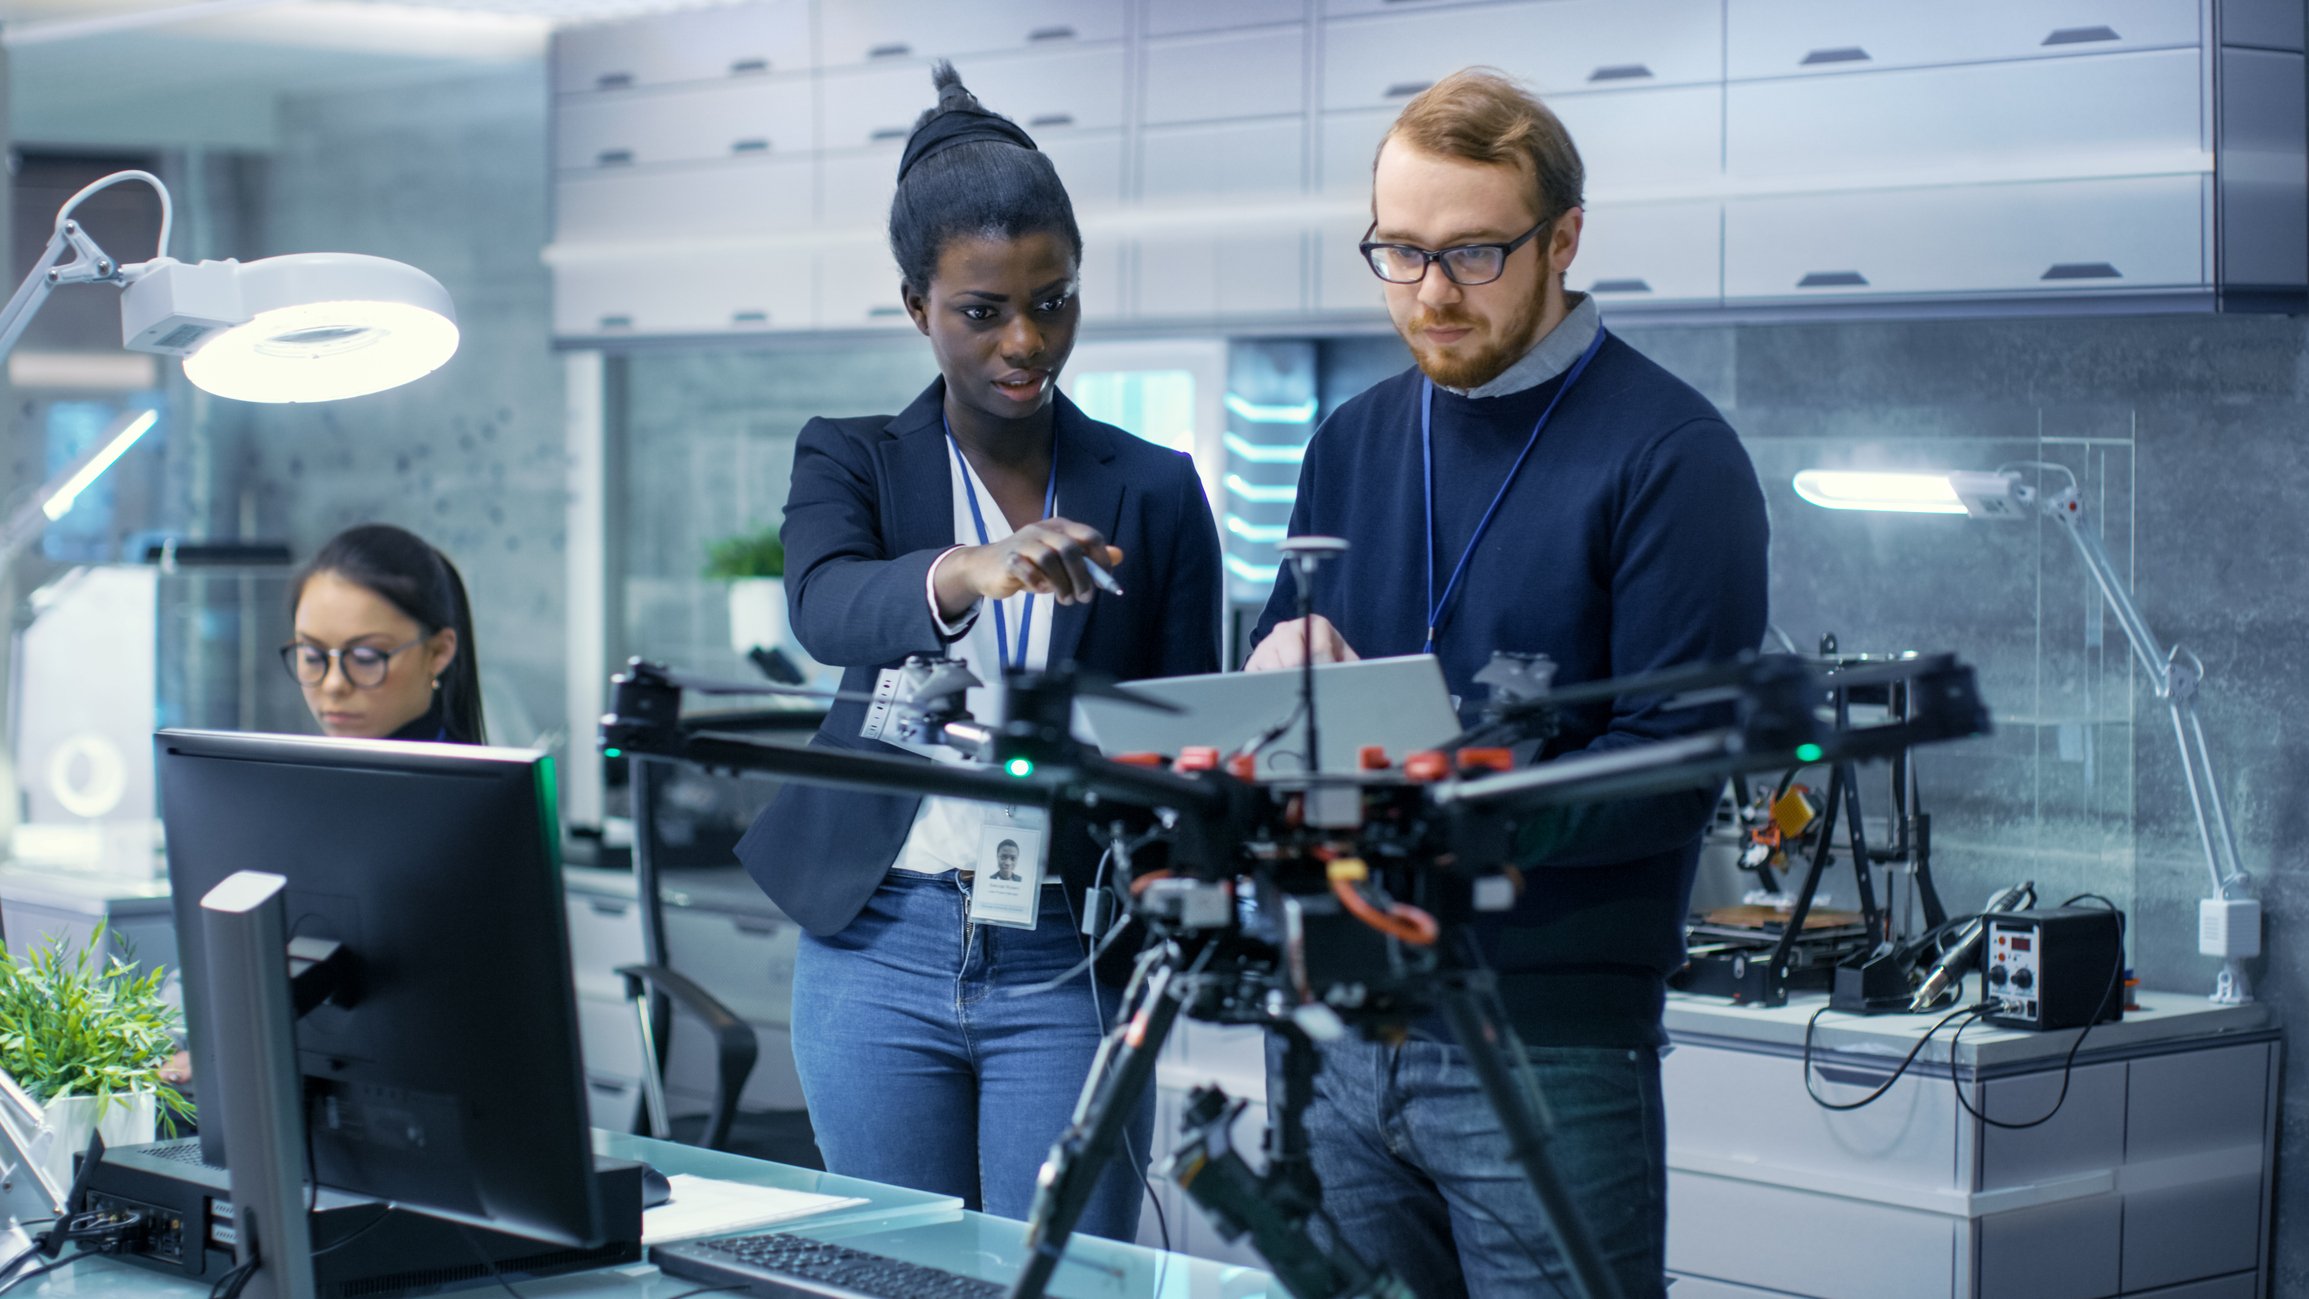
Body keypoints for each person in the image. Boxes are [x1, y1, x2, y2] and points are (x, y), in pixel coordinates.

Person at [1243, 69, 1770, 1298]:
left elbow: (1673, 774)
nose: (1429, 293)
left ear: (1563, 240)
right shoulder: (1351, 439)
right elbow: (1285, 675)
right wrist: (1277, 676)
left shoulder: (1671, 455)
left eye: (1473, 254)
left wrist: (1434, 792)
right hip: (1335, 1022)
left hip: (1544, 1042)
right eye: (1398, 252)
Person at [734, 63, 1222, 1241]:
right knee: (892, 1265)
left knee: (1062, 1273)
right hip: (875, 945)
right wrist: (973, 567)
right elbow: (827, 604)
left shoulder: (1150, 490)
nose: (1024, 340)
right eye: (981, 310)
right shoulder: (850, 458)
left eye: (1051, 301)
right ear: (916, 307)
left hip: (1065, 949)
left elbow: (1183, 729)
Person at [282, 523, 486, 745]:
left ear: (438, 652)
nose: (334, 684)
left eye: (365, 658)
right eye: (312, 655)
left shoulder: (459, 779)